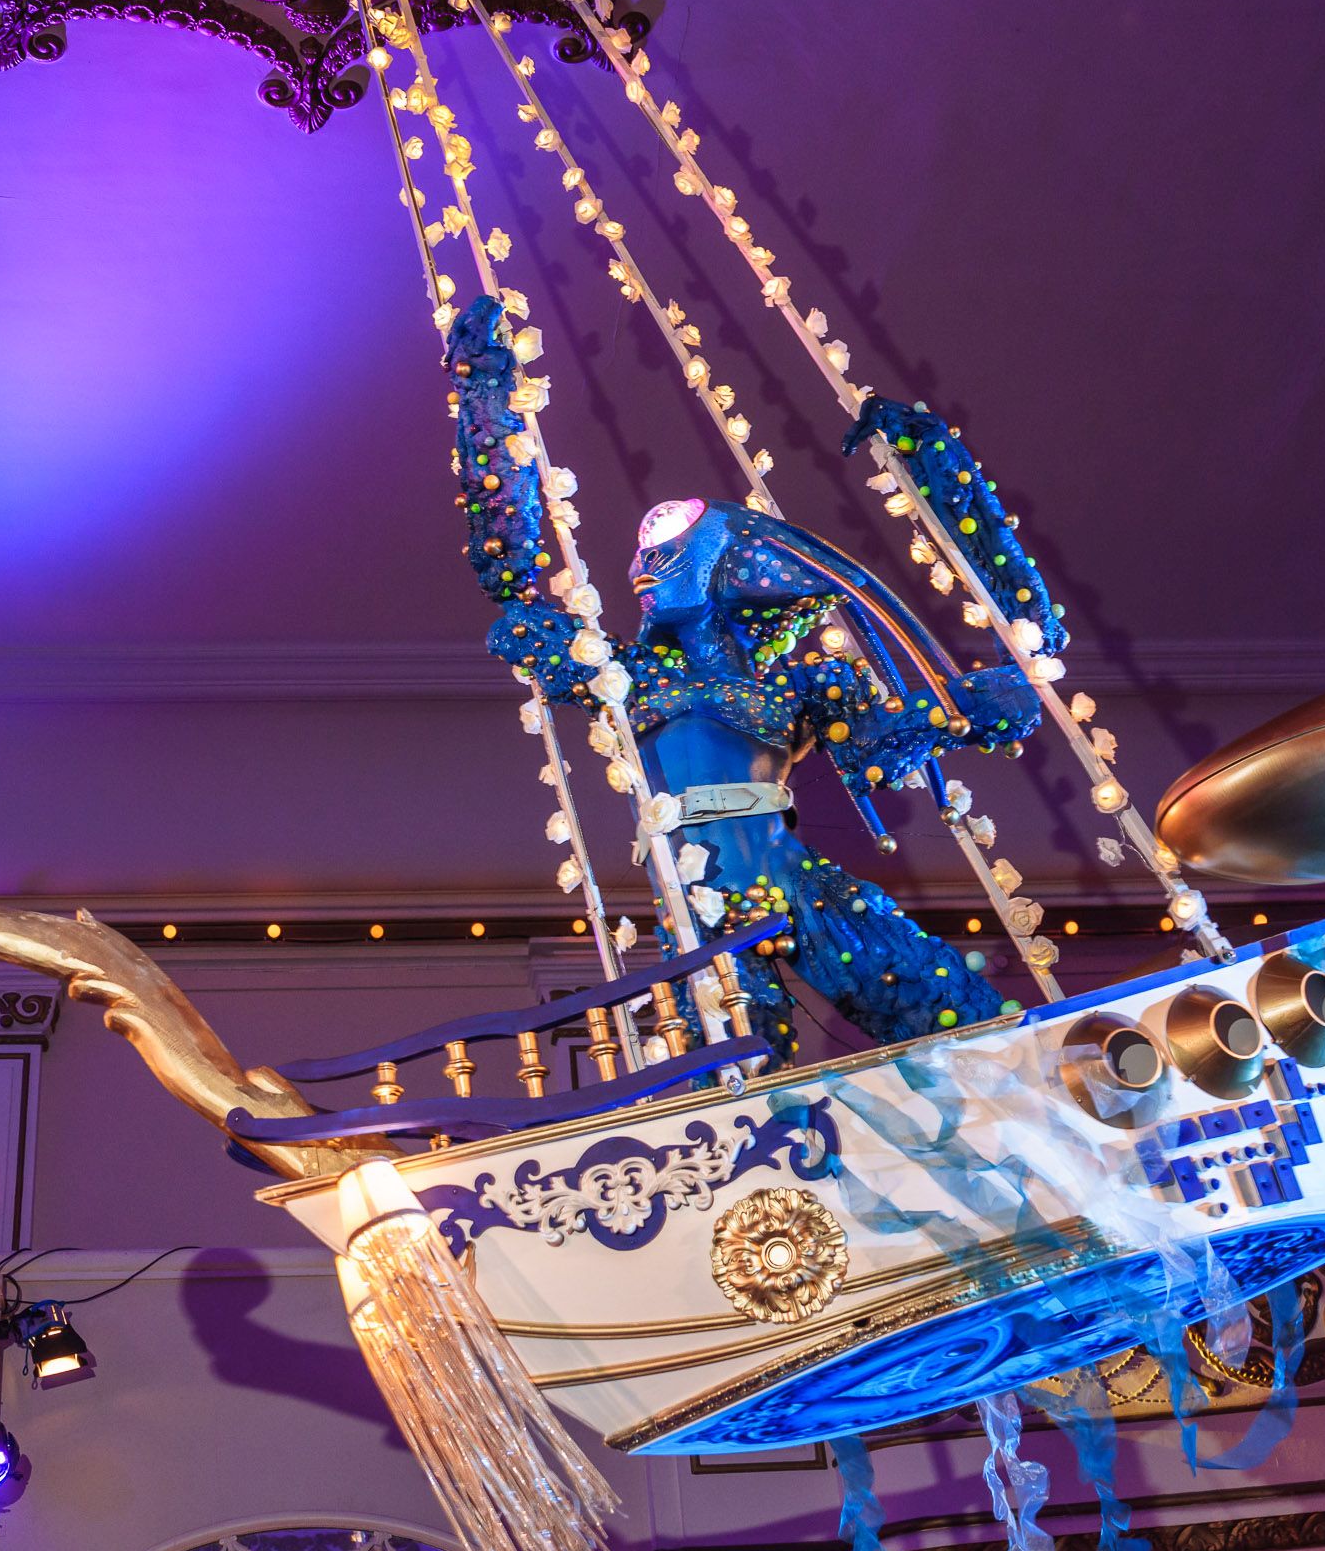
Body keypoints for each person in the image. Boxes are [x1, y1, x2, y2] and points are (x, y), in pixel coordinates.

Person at [445, 295, 1052, 1048]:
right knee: (732, 1087)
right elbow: (515, 605)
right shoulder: (622, 675)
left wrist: (968, 698)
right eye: (639, 556)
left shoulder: (800, 687)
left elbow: (894, 737)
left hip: (799, 889)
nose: (639, 570)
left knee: (964, 1021)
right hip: (698, 918)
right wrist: (487, 396)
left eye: (663, 552)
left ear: (720, 558)